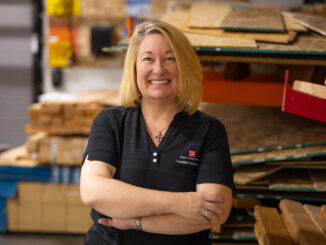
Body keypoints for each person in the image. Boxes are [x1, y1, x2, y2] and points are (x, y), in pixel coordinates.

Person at [80, 20, 234, 245]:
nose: (158, 69)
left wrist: (135, 221)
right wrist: (180, 204)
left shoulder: (209, 131)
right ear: (134, 67)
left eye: (170, 58)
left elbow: (213, 213)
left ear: (184, 66)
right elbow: (94, 192)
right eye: (148, 58)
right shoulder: (111, 122)